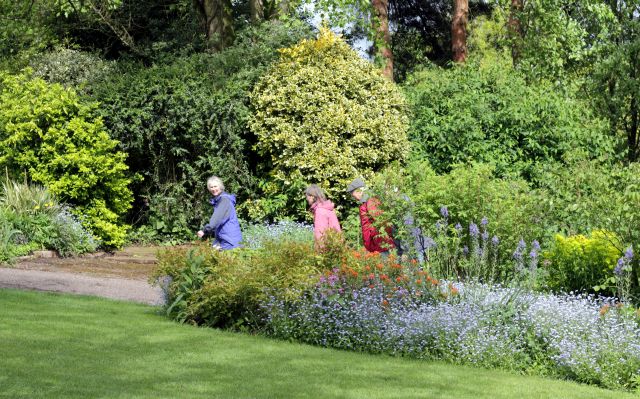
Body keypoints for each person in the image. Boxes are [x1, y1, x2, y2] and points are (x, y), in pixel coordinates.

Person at [346, 177, 396, 255]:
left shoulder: (370, 201)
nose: (353, 197)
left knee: (384, 263)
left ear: (358, 191)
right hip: (377, 242)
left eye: (353, 194)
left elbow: (380, 221)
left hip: (379, 242)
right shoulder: (369, 201)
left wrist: (371, 241)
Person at [197, 176, 242, 250]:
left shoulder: (224, 200)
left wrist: (204, 231)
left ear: (220, 187)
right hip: (224, 238)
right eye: (211, 187)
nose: (214, 189)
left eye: (215, 186)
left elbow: (216, 220)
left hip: (229, 240)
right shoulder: (220, 200)